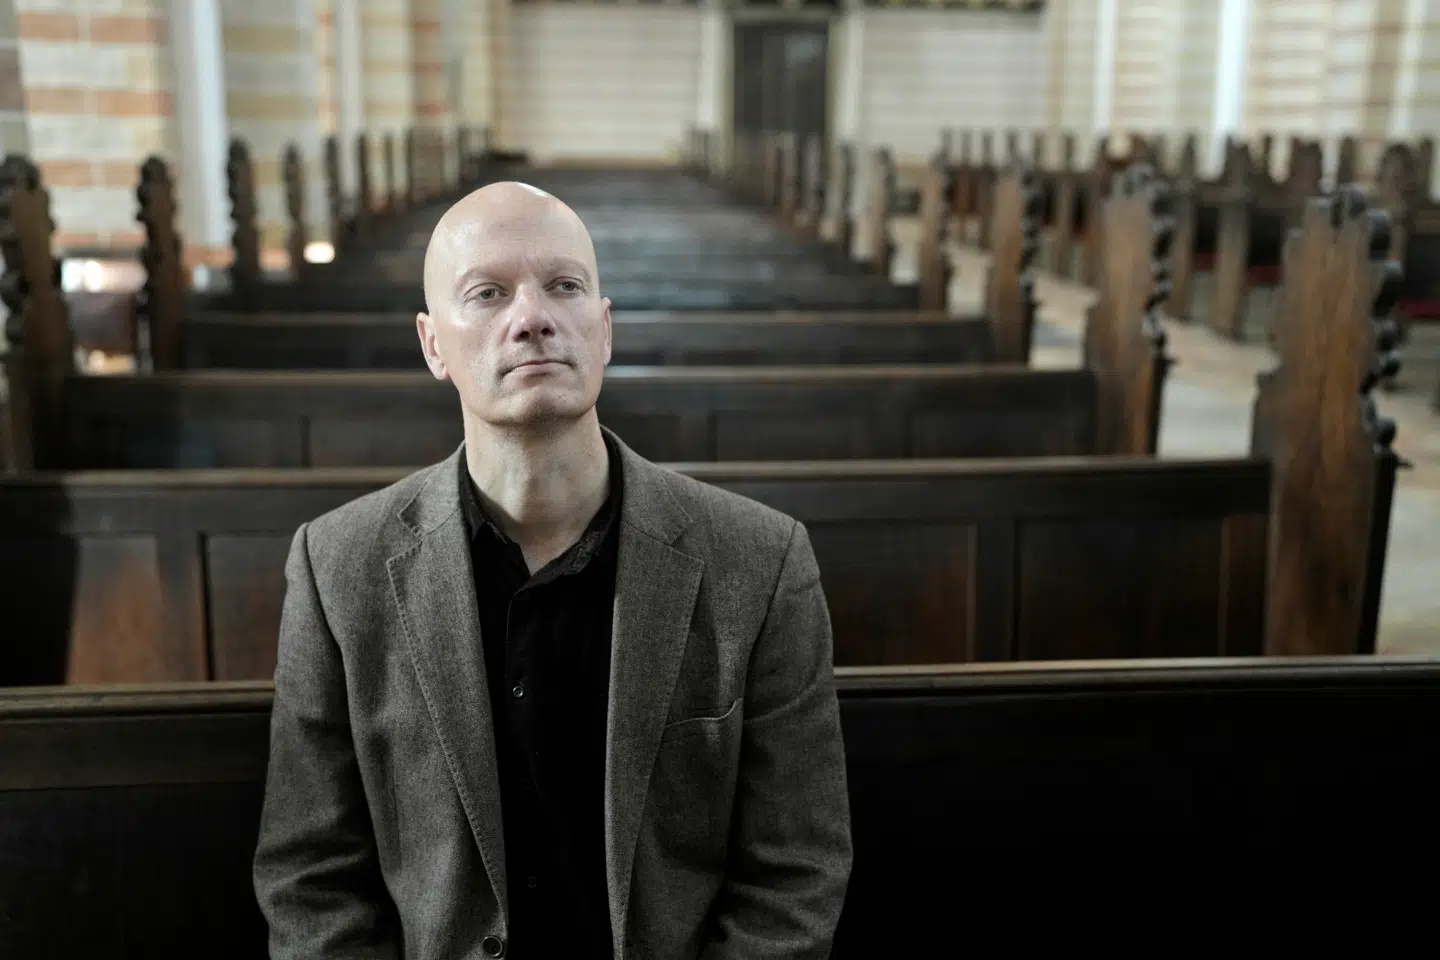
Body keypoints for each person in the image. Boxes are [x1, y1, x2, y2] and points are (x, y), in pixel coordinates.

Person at [252, 181, 853, 959]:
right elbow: (309, 877)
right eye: (488, 293)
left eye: (564, 286)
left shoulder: (762, 561)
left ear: (602, 330)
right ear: (434, 344)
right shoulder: (337, 568)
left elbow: (795, 873)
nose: (532, 317)